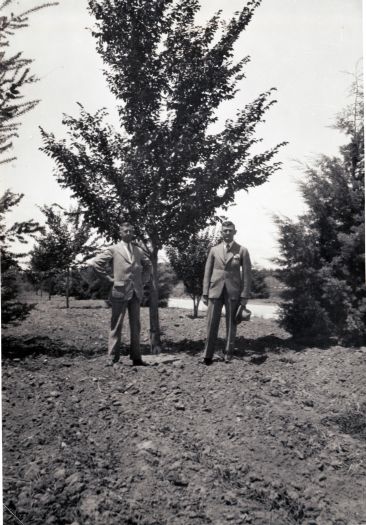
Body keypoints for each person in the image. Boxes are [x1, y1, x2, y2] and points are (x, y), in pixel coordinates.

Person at [88, 222, 151, 366]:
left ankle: (136, 358)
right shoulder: (114, 249)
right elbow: (97, 263)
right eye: (125, 231)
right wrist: (109, 279)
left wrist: (143, 280)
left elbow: (149, 265)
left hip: (135, 292)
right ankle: (112, 358)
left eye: (131, 231)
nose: (128, 233)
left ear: (133, 233)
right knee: (116, 324)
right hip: (119, 291)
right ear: (120, 233)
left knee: (136, 325)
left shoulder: (138, 250)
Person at [201, 221, 251, 364]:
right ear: (221, 233)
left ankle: (228, 353)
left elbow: (247, 275)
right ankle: (207, 355)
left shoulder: (242, 250)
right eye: (225, 231)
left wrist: (244, 296)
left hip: (233, 292)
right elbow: (207, 271)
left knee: (232, 323)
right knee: (211, 323)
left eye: (230, 230)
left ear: (235, 232)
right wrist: (205, 292)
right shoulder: (214, 250)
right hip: (215, 290)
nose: (227, 233)